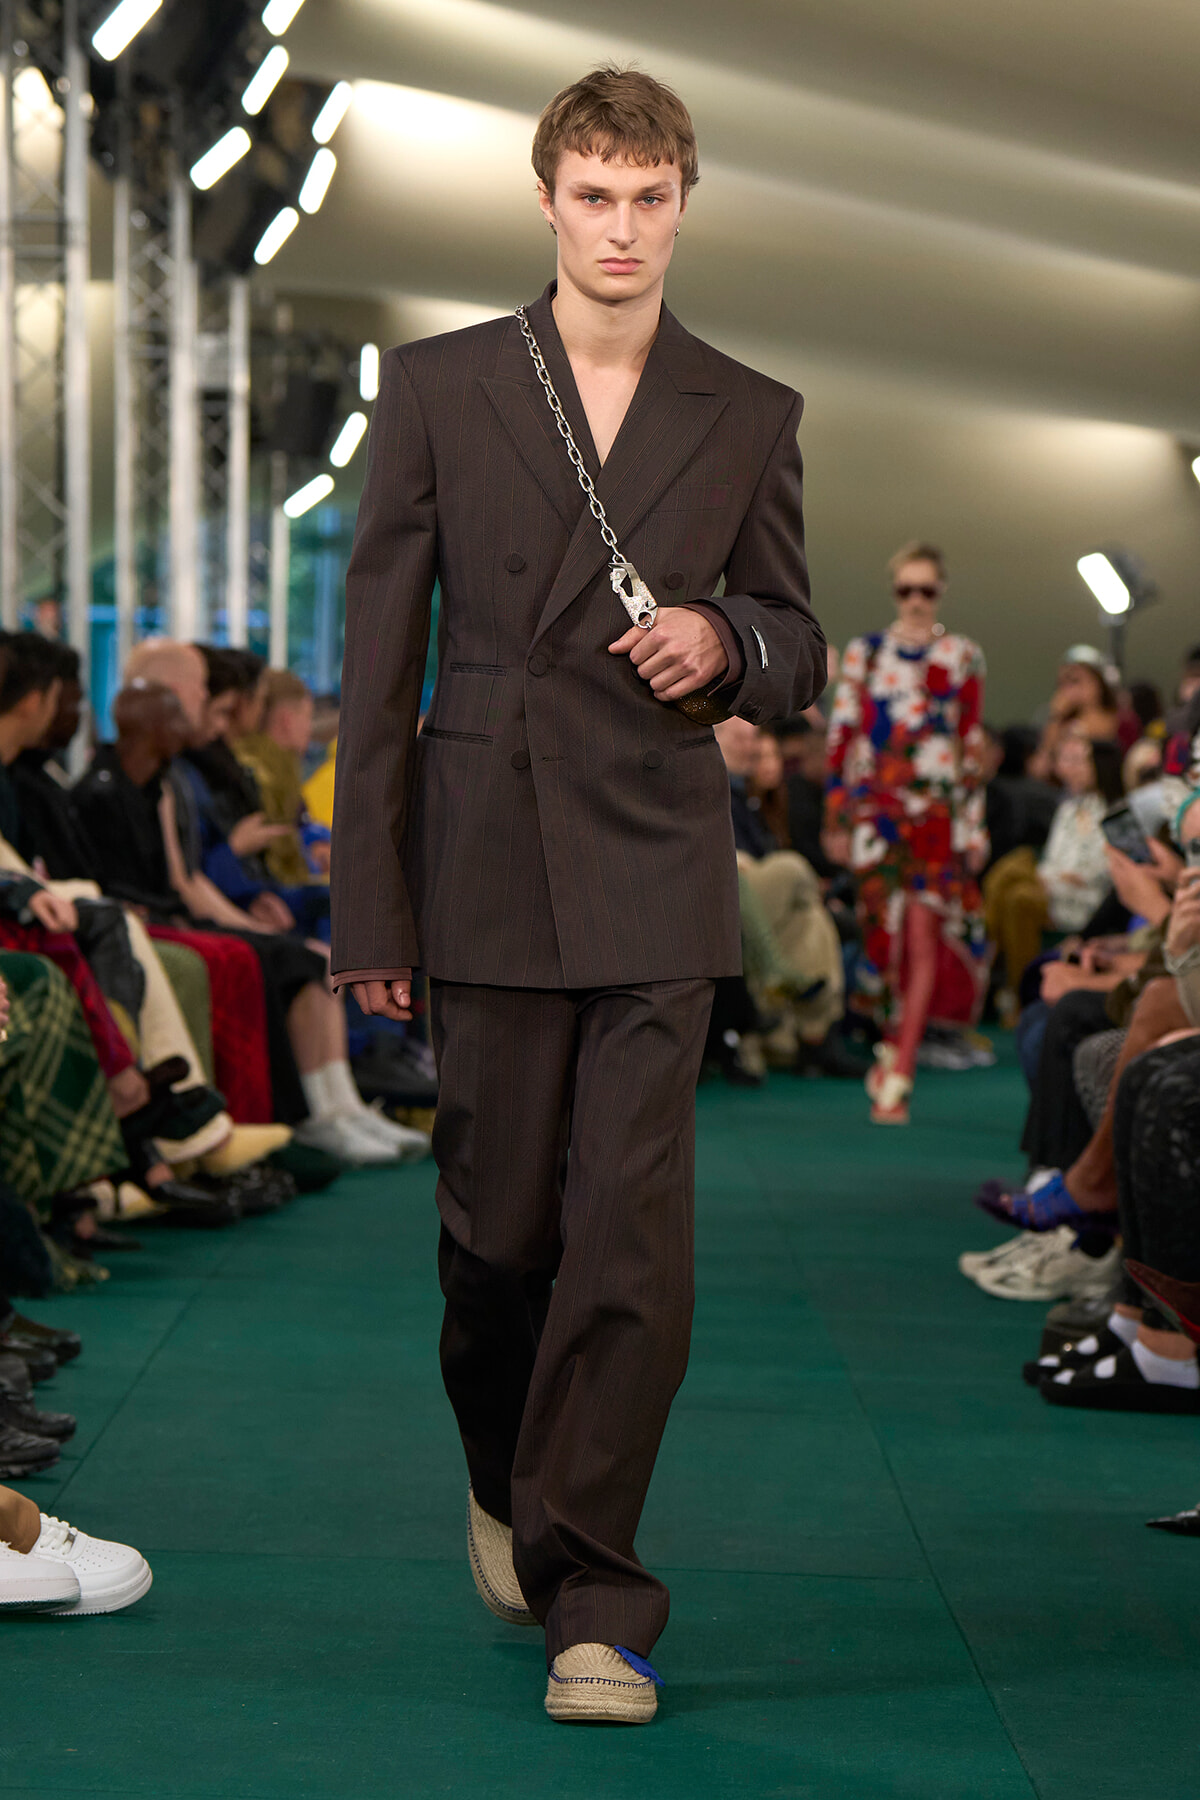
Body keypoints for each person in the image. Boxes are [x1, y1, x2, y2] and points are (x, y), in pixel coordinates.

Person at [331, 65, 824, 1724]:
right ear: (546, 201)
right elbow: (376, 668)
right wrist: (370, 916)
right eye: (594, 195)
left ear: (686, 206)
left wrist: (727, 640)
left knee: (631, 1237)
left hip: (655, 857)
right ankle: (506, 1472)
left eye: (650, 197)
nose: (621, 228)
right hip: (481, 851)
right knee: (498, 1244)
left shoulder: (750, 411)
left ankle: (596, 1597)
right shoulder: (439, 385)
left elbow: (800, 641)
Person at [823, 540, 988, 1125]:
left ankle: (901, 1068)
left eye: (926, 589)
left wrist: (973, 827)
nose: (916, 600)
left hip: (937, 817)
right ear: (895, 592)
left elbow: (971, 743)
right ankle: (891, 1041)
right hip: (876, 813)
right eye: (906, 589)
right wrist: (836, 815)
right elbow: (842, 736)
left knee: (921, 939)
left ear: (940, 591)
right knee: (883, 943)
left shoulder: (963, 655)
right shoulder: (865, 654)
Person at [983, 732, 1123, 1018]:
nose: (1073, 769)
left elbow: (1099, 872)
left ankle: (997, 975)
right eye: (1069, 760)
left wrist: (1057, 876)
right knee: (1015, 880)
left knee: (1018, 889)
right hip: (1055, 889)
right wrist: (1057, 876)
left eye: (1081, 761)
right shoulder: (1069, 809)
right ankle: (1006, 981)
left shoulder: (1115, 813)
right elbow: (1052, 862)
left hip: (1088, 901)